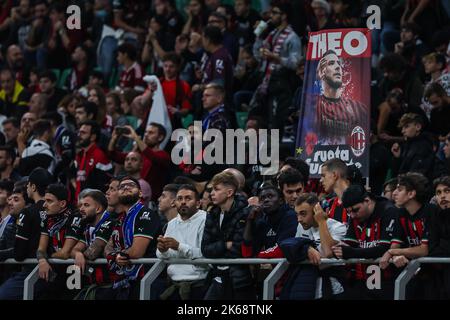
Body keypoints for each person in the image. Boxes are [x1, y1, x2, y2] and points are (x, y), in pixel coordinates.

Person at [332, 184, 400, 300]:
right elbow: (349, 245)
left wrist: (352, 252)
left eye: (355, 210)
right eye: (349, 212)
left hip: (386, 279)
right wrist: (339, 249)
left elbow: (385, 249)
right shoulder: (355, 216)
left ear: (367, 200)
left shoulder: (388, 211)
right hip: (362, 278)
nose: (352, 215)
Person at [379, 172, 437, 299]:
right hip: (415, 273)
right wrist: (395, 254)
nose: (394, 193)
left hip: (436, 274)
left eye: (399, 190)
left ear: (411, 194)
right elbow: (395, 244)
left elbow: (424, 249)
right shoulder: (400, 213)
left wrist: (393, 252)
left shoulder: (431, 211)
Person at [103, 176, 161, 300]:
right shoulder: (120, 219)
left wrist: (117, 255)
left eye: (131, 185)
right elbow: (108, 248)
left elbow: (136, 252)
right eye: (122, 186)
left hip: (146, 278)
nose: (126, 187)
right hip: (126, 280)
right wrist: (115, 256)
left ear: (140, 193)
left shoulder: (146, 214)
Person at [201, 171, 255, 300]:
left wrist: (219, 247)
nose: (211, 193)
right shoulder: (212, 213)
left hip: (239, 279)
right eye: (211, 189)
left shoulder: (245, 213)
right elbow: (205, 249)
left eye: (216, 189)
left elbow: (238, 250)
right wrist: (226, 244)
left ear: (229, 193)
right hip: (217, 275)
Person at [252, 0, 302, 134]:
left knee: (276, 122)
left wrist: (277, 58)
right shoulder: (271, 34)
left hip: (282, 84)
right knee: (264, 121)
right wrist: (258, 36)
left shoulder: (292, 37)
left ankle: (276, 153)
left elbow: (296, 62)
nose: (271, 16)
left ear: (284, 16)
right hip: (266, 83)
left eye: (274, 13)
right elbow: (257, 56)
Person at [0, 168, 50, 299]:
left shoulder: (28, 212)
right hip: (57, 272)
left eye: (28, 184)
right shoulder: (57, 210)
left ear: (33, 187)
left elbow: (19, 254)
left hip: (33, 271)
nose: (27, 187)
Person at [156, 184, 208, 300]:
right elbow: (164, 256)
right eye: (180, 199)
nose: (183, 202)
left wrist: (179, 246)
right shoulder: (171, 223)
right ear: (174, 203)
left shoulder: (206, 220)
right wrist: (162, 250)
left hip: (199, 285)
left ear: (198, 203)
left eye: (188, 198)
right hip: (174, 284)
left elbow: (206, 255)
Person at [293, 193, 347, 299]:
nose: (299, 219)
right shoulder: (301, 226)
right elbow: (296, 249)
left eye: (303, 214)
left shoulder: (338, 227)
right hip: (308, 284)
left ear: (316, 211)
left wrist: (321, 222)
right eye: (297, 214)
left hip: (334, 287)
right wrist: (307, 249)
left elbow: (328, 252)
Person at [36, 183, 82, 299]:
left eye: (49, 201)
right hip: (57, 270)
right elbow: (41, 249)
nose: (45, 205)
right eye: (44, 200)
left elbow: (65, 253)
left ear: (62, 203)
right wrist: (42, 260)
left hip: (75, 271)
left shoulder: (76, 217)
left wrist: (49, 258)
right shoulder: (47, 218)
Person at [312, 50, 369, 145]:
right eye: (331, 63)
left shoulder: (358, 108)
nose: (338, 67)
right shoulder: (312, 104)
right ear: (322, 71)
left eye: (339, 64)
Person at [70, 190, 115, 300]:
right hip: (98, 285)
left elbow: (93, 252)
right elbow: (74, 250)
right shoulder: (88, 226)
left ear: (98, 209)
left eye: (86, 205)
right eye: (81, 205)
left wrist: (82, 254)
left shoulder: (109, 222)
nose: (81, 209)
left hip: (112, 286)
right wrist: (78, 254)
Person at [108, 123, 170, 201]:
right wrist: (114, 139)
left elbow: (152, 157)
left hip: (150, 201)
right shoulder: (139, 153)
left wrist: (136, 138)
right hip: (131, 193)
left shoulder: (163, 155)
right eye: (146, 132)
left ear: (160, 137)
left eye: (151, 133)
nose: (146, 135)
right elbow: (112, 155)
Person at [242, 185, 297, 260]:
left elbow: (281, 250)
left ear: (281, 200)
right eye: (262, 198)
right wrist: (250, 220)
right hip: (277, 268)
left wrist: (256, 257)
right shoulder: (263, 222)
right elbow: (247, 252)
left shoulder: (291, 216)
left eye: (270, 196)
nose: (266, 200)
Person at [74, 120, 113, 201]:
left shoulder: (100, 156)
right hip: (80, 204)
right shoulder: (80, 155)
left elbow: (104, 185)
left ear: (93, 137)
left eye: (83, 133)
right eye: (79, 132)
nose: (79, 135)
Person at [391, 113, 436, 177]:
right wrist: (397, 158)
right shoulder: (405, 146)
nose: (402, 131)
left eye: (406, 126)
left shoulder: (424, 146)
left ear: (418, 127)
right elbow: (396, 174)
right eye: (402, 128)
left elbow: (417, 175)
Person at [429, 176, 450, 298]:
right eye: (439, 192)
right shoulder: (435, 217)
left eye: (447, 191)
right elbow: (431, 248)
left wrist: (442, 244)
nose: (442, 196)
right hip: (441, 280)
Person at [320, 158, 351, 224]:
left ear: (334, 175)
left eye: (323, 176)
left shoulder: (357, 202)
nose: (321, 180)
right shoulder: (328, 204)